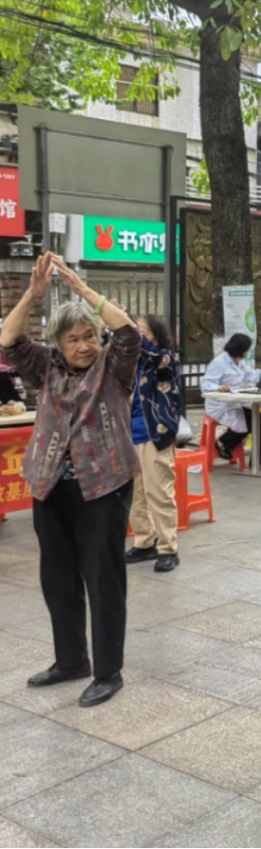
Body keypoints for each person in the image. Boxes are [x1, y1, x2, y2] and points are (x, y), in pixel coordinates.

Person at [0, 253, 142, 707]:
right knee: (57, 577)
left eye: (89, 336)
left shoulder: (113, 366)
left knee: (103, 577)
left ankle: (108, 672)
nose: (83, 346)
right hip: (50, 484)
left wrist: (81, 290)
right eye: (73, 339)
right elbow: (8, 338)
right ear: (58, 344)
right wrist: (34, 292)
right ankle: (71, 660)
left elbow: (128, 333)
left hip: (104, 485)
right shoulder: (45, 366)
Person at [124, 315, 182, 573]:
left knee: (158, 493)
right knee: (136, 494)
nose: (136, 336)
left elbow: (157, 358)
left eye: (142, 332)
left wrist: (125, 324)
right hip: (129, 435)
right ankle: (144, 542)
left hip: (155, 437)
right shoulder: (130, 364)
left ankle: (168, 548)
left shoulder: (166, 358)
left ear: (156, 337)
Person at [200, 333, 261, 466]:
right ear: (241, 349)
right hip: (219, 405)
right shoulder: (218, 363)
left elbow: (251, 375)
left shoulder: (240, 362)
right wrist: (218, 388)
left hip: (234, 403)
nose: (249, 351)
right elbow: (206, 384)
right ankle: (223, 442)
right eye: (247, 349)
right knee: (251, 423)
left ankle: (258, 459)